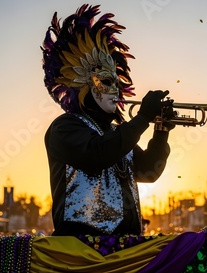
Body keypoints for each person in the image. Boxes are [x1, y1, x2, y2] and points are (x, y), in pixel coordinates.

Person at [41, 4, 174, 237]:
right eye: (106, 82)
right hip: (80, 248)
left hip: (126, 246)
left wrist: (161, 131)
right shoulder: (64, 127)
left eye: (118, 83)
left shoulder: (118, 132)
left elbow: (148, 173)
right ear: (84, 84)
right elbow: (97, 155)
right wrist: (142, 118)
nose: (116, 91)